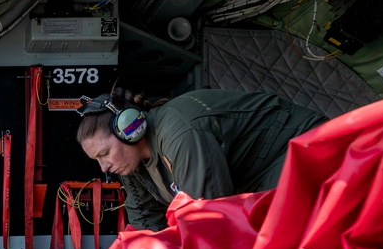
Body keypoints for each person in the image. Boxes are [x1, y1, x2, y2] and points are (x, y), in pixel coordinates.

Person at [77, 88, 327, 231]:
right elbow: (145, 222)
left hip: (301, 148)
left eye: (104, 154)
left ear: (129, 129)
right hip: (259, 175)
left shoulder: (181, 135)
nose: (104, 167)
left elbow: (209, 218)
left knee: (275, 236)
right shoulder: (133, 164)